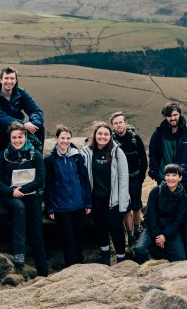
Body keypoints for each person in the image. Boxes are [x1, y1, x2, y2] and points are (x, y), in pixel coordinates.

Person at [0, 122, 48, 276]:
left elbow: (40, 180)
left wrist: (22, 190)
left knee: (37, 232)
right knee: (19, 208)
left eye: (20, 137)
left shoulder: (34, 155)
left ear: (26, 137)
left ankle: (43, 272)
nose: (17, 140)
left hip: (31, 195)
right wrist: (12, 192)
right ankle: (19, 253)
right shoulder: (3, 156)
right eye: (14, 137)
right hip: (10, 196)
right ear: (9, 138)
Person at [80, 122, 130, 265]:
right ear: (95, 135)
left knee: (116, 228)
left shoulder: (117, 152)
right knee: (100, 226)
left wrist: (123, 202)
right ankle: (105, 253)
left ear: (110, 136)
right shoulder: (87, 152)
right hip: (95, 198)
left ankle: (121, 257)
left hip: (113, 199)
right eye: (100, 134)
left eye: (106, 134)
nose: (102, 136)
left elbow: (123, 178)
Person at [44, 126, 92, 268]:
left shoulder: (77, 157)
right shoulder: (50, 160)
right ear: (56, 139)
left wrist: (87, 202)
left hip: (78, 204)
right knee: (68, 238)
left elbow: (84, 180)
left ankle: (80, 263)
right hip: (61, 206)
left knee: (79, 236)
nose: (65, 141)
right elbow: (48, 185)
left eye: (68, 138)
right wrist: (50, 208)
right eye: (62, 138)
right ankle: (71, 266)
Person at [133, 164, 187, 264]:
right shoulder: (156, 191)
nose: (170, 178)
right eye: (168, 175)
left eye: (174, 175)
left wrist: (165, 236)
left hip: (171, 229)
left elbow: (179, 219)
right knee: (140, 249)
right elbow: (151, 215)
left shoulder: (183, 195)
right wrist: (158, 235)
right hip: (152, 227)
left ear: (180, 178)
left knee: (180, 258)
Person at [0, 66, 45, 153]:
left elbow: (36, 111)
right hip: (0, 130)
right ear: (0, 80)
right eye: (6, 78)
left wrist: (34, 123)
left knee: (39, 127)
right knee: (1, 130)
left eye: (12, 78)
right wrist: (23, 124)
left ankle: (37, 157)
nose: (9, 81)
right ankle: (10, 159)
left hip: (19, 127)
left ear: (16, 81)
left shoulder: (21, 93)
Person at [110, 111, 148, 247]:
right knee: (125, 208)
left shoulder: (134, 138)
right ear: (112, 126)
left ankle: (137, 232)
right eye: (116, 123)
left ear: (125, 123)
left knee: (137, 207)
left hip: (134, 178)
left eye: (120, 122)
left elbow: (143, 160)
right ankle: (130, 235)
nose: (119, 125)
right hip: (120, 182)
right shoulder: (111, 141)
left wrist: (140, 178)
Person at [148, 101, 187, 196]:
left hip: (184, 178)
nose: (172, 118)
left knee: (183, 208)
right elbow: (152, 154)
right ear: (165, 117)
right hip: (164, 178)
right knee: (164, 208)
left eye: (175, 115)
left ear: (180, 114)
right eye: (169, 116)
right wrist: (156, 174)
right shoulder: (158, 133)